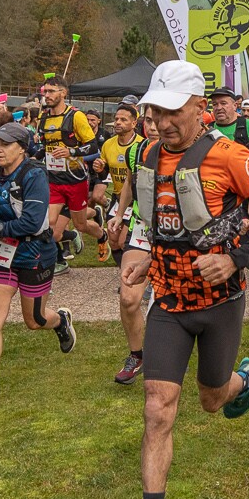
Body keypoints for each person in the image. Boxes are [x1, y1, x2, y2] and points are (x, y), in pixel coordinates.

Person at [108, 61, 249, 499]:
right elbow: (159, 218)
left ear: (199, 108)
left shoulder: (230, 156)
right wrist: (145, 254)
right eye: (155, 111)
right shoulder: (146, 154)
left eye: (173, 112)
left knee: (212, 400)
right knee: (157, 408)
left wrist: (236, 259)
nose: (162, 122)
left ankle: (244, 379)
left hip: (220, 302)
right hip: (168, 302)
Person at [0, 122, 76, 407]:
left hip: (34, 253)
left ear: (22, 148)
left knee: (34, 321)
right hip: (1, 255)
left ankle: (60, 320)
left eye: (6, 144)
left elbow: (33, 222)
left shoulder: (34, 174)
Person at [98, 99, 151, 382]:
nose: (155, 126)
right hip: (143, 227)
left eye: (160, 119)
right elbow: (129, 182)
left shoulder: (192, 150)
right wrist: (120, 214)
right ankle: (137, 355)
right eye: (150, 120)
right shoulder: (137, 150)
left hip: (181, 234)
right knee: (129, 297)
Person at [34, 76, 99, 268]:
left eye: (51, 91)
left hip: (75, 179)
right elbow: (45, 147)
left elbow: (93, 146)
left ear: (63, 93)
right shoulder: (43, 117)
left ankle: (102, 235)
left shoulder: (76, 116)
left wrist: (71, 152)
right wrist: (33, 158)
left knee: (80, 225)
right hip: (53, 180)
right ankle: (46, 264)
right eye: (45, 91)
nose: (46, 95)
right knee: (47, 224)